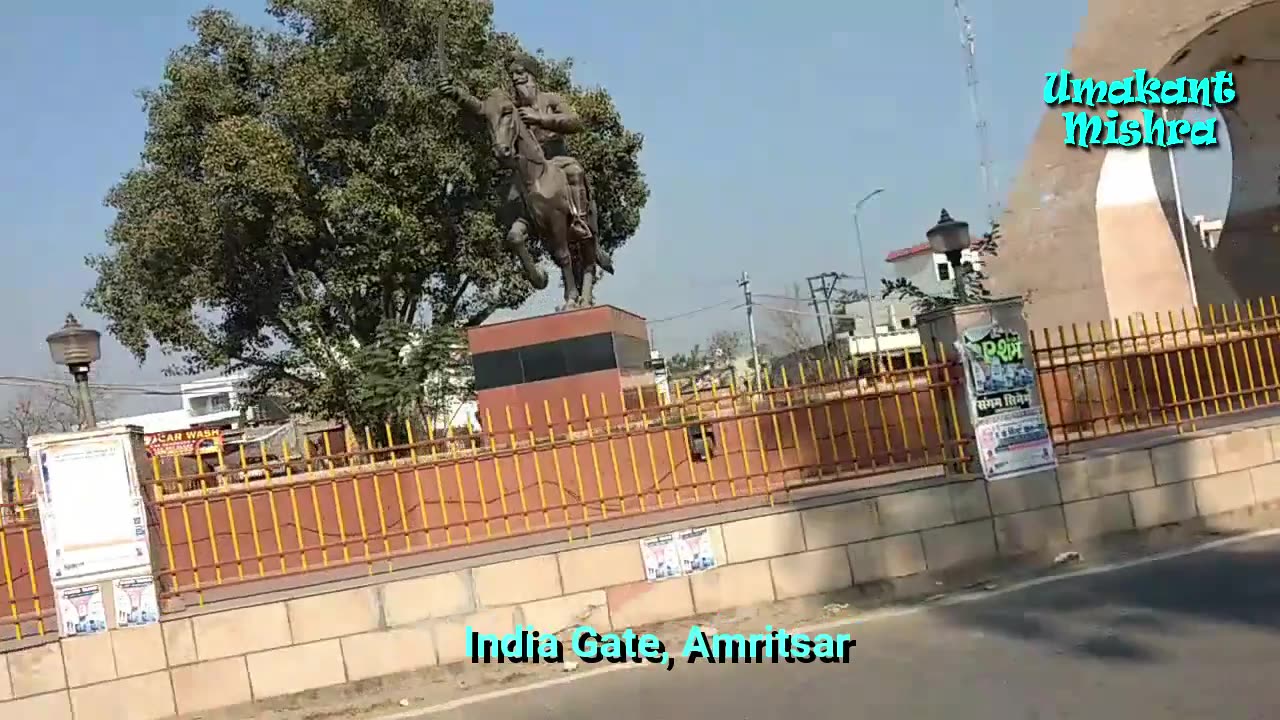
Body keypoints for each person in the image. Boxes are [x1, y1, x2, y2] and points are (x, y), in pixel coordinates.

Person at [438, 54, 600, 245]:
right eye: (512, 75)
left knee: (575, 171)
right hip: (528, 170)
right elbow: (483, 109)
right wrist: (456, 93)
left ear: (532, 75)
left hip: (556, 161)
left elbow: (575, 122)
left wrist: (540, 119)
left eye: (520, 73)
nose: (515, 78)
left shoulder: (551, 100)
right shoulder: (512, 108)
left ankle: (580, 221)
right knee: (509, 199)